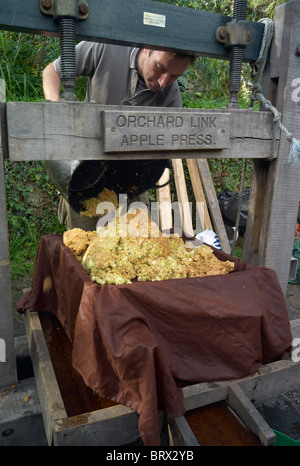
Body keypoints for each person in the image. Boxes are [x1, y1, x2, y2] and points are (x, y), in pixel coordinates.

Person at [43, 41, 195, 230]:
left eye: (174, 76)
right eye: (160, 68)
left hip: (129, 183)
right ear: (147, 48)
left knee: (136, 249)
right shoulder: (105, 47)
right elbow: (53, 72)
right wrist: (57, 114)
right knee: (82, 248)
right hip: (84, 176)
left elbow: (164, 152)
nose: (163, 82)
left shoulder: (171, 97)